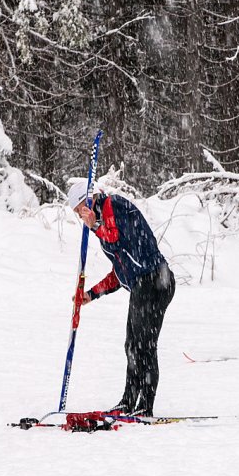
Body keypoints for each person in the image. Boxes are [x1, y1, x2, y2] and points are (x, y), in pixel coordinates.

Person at [67, 179, 175, 417]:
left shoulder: (114, 206)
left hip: (155, 281)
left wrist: (95, 227)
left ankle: (145, 406)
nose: (81, 216)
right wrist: (91, 294)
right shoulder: (103, 221)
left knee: (144, 346)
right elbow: (120, 270)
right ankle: (128, 401)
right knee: (132, 346)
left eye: (81, 210)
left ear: (91, 199)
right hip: (142, 284)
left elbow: (117, 240)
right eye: (77, 214)